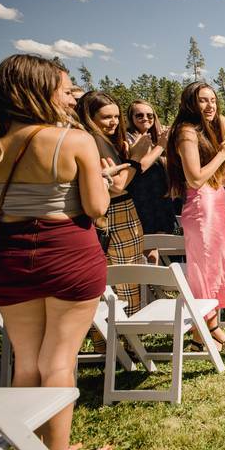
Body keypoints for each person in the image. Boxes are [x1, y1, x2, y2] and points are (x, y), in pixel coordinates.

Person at [0, 54, 117, 450]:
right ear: (39, 92)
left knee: (26, 362)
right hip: (68, 251)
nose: (70, 98)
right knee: (59, 360)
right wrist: (103, 180)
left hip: (10, 254)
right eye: (64, 90)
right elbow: (98, 208)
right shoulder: (74, 141)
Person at [166, 81, 225, 350]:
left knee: (216, 268)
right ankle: (202, 333)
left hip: (217, 203)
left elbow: (223, 180)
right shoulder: (186, 133)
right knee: (204, 271)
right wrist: (224, 151)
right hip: (201, 209)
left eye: (213, 99)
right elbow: (195, 178)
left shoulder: (206, 131)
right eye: (203, 100)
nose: (210, 105)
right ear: (190, 103)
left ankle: (206, 332)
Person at [76, 92, 148, 317]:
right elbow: (118, 185)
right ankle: (131, 335)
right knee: (127, 276)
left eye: (116, 116)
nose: (114, 122)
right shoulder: (95, 140)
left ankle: (105, 339)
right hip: (117, 211)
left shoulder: (97, 139)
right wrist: (135, 158)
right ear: (89, 116)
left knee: (105, 280)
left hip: (102, 213)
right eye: (106, 117)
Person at [125, 100, 176, 249]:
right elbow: (141, 166)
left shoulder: (155, 137)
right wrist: (161, 145)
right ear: (131, 118)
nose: (145, 118)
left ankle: (163, 271)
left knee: (162, 245)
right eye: (139, 115)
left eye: (150, 115)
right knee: (148, 246)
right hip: (142, 199)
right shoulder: (128, 139)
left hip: (160, 198)